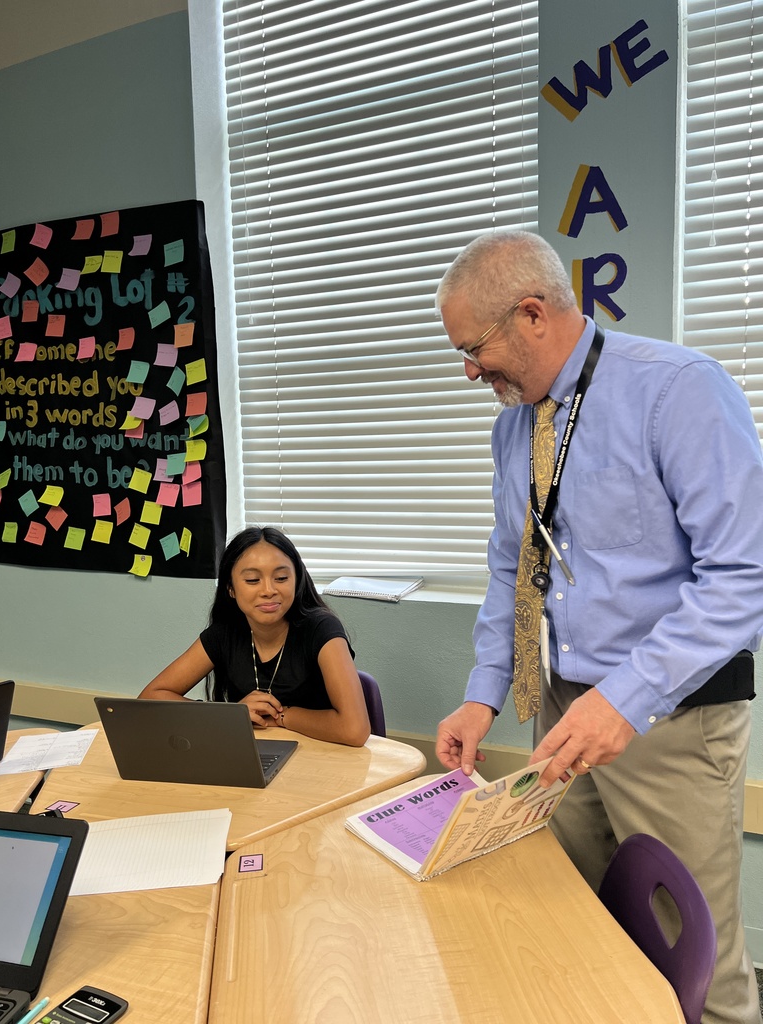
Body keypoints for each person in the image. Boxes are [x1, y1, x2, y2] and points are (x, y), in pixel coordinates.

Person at [433, 230, 763, 1024]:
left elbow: (744, 574)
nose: (469, 370)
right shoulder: (514, 428)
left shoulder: (678, 389)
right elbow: (514, 571)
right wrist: (482, 696)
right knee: (581, 923)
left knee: (699, 960)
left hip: (668, 719)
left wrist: (626, 699)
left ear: (534, 314)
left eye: (474, 349)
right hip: (564, 711)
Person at [139, 526, 371, 746]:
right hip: (251, 757)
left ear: (297, 580)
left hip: (325, 762)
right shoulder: (225, 632)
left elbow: (355, 729)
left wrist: (283, 717)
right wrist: (230, 714)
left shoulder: (321, 629)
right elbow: (149, 698)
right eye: (252, 580)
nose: (269, 590)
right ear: (231, 588)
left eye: (281, 578)